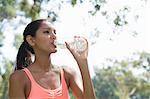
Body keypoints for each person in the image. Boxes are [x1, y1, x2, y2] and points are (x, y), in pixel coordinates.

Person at [9, 19, 96, 99]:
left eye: (55, 32)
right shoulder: (19, 78)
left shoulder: (67, 74)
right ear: (31, 40)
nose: (54, 36)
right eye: (47, 32)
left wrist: (83, 62)